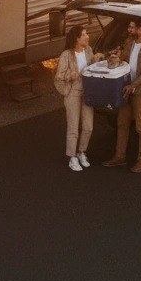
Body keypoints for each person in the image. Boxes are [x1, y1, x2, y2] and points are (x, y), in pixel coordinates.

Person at [103, 17, 141, 173]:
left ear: (140, 29)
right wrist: (117, 58)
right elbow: (126, 59)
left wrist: (133, 85)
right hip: (127, 90)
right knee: (122, 123)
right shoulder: (131, 42)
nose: (129, 30)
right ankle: (119, 156)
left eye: (132, 27)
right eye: (129, 27)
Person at [54, 24, 100, 172]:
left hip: (87, 91)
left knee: (88, 126)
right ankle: (72, 156)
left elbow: (92, 66)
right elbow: (59, 76)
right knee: (73, 126)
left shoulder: (88, 50)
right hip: (73, 91)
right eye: (84, 35)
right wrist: (71, 75)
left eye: (86, 34)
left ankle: (82, 152)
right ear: (76, 38)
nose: (87, 37)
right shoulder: (66, 55)